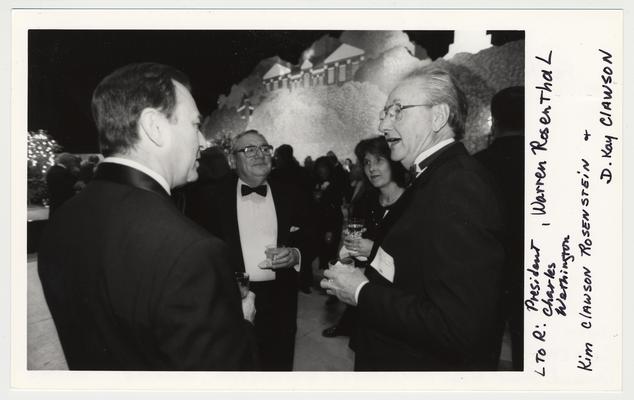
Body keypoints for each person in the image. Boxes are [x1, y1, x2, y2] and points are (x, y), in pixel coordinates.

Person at [38, 62, 257, 371]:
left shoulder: (62, 220)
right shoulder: (193, 252)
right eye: (196, 125)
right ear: (154, 127)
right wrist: (242, 323)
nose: (204, 142)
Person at [322, 68, 506, 371]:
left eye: (397, 111)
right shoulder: (433, 176)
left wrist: (360, 291)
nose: (383, 124)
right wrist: (373, 251)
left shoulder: (460, 186)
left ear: (438, 116)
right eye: (384, 113)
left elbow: (457, 326)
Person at [186, 130, 312, 371]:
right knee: (236, 369)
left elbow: (310, 234)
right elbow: (198, 252)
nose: (259, 154)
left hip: (281, 300)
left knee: (278, 368)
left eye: (265, 148)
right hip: (232, 300)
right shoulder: (209, 198)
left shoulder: (292, 192)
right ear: (233, 161)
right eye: (249, 150)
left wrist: (296, 254)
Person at [322, 136, 410, 339]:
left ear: (394, 161)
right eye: (367, 162)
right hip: (365, 288)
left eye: (379, 160)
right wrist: (347, 253)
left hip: (396, 298)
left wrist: (374, 249)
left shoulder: (411, 202)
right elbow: (355, 241)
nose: (371, 168)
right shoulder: (367, 200)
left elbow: (414, 257)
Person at [475, 86, 525, 370]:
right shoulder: (552, 165)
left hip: (486, 278)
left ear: (493, 123)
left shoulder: (475, 166)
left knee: (482, 353)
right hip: (533, 276)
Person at [45, 152, 79, 216]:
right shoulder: (63, 173)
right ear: (69, 162)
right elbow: (67, 189)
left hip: (55, 204)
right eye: (73, 162)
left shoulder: (53, 170)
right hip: (63, 205)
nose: (74, 164)